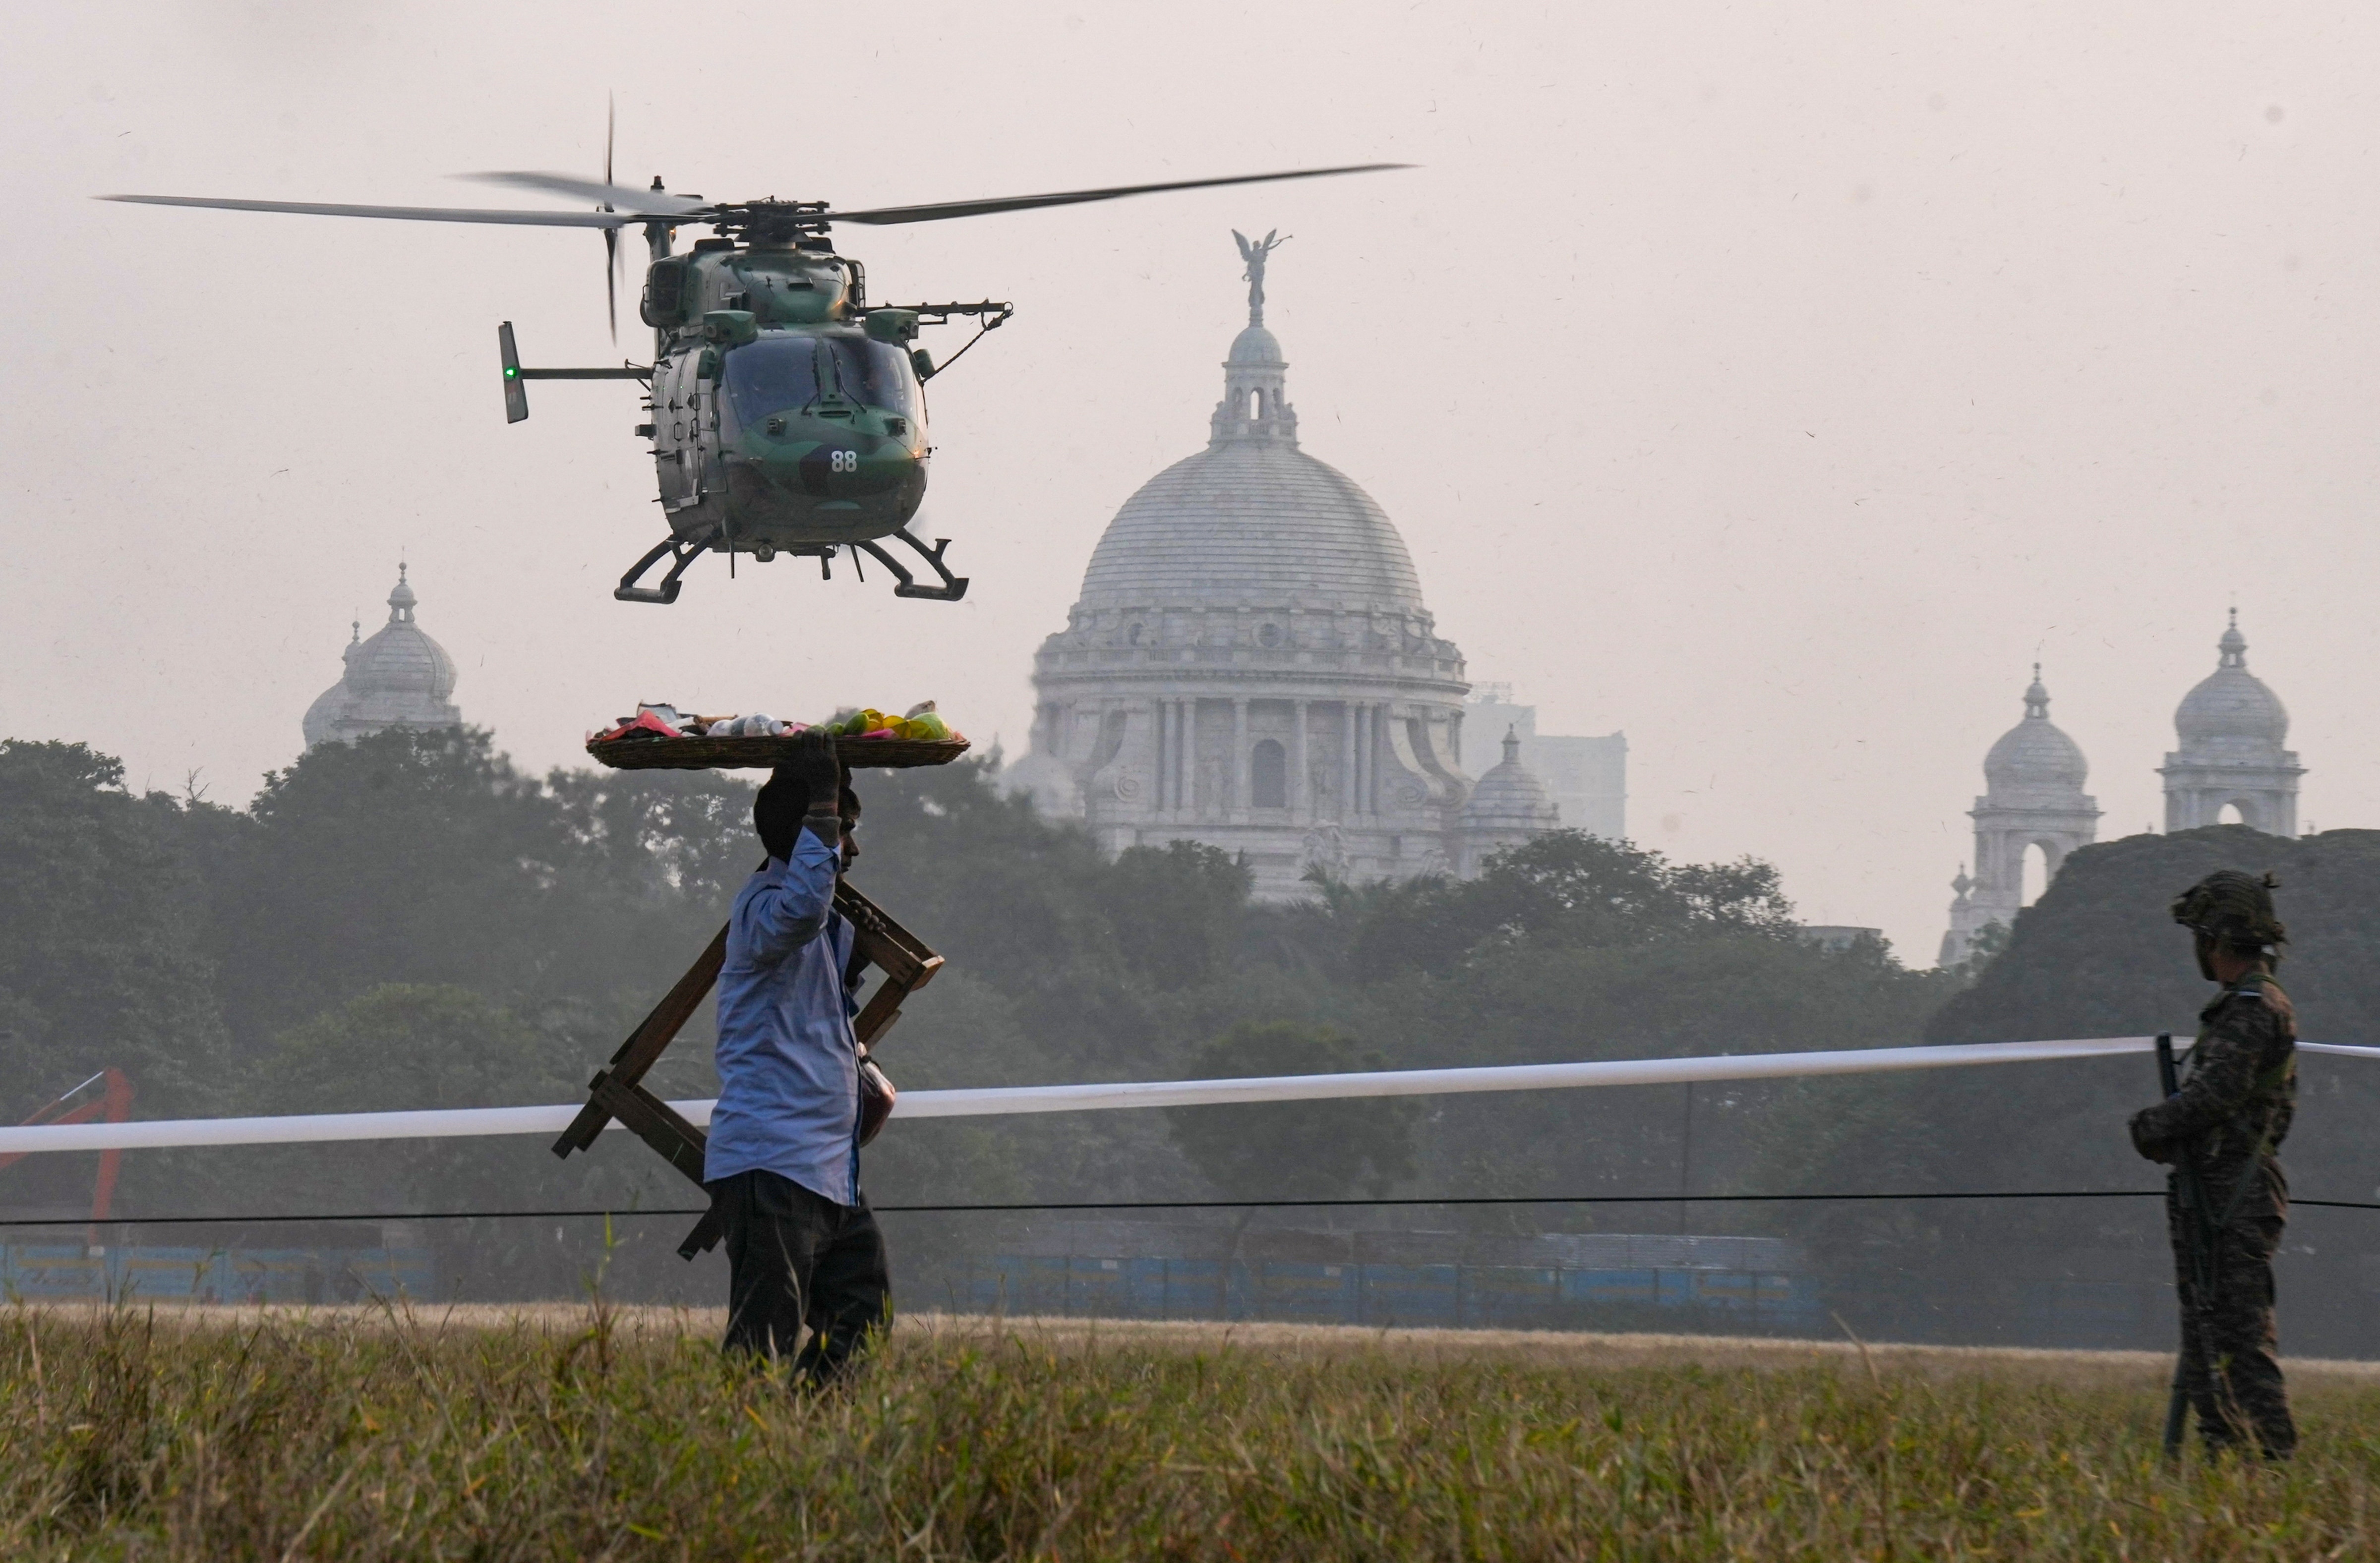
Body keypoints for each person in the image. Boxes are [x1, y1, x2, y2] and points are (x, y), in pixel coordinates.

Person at [704, 729, 893, 1386]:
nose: (853, 848)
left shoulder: (824, 931)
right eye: (843, 832)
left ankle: (805, 1445)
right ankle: (742, 1450)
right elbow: (802, 908)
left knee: (864, 1317)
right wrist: (821, 803)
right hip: (773, 1157)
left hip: (826, 1167)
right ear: (807, 835)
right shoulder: (764, 911)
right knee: (762, 1341)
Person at [2129, 868, 2297, 1459]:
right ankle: (2229, 1457)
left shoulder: (2252, 1007)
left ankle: (2272, 1466)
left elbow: (2217, 1095)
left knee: (2238, 1342)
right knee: (2208, 1341)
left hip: (2236, 1192)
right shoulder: (2243, 1004)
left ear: (2215, 940)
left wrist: (2151, 1126)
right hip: (2219, 1188)